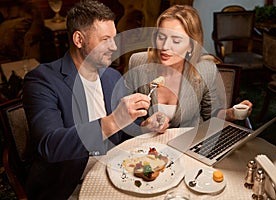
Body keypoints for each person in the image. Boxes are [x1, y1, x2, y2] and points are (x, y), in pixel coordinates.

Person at [22, 1, 169, 199]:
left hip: (115, 172)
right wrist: (113, 121)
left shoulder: (112, 77)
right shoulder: (42, 80)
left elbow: (124, 131)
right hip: (69, 185)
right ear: (79, 39)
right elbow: (50, 145)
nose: (114, 46)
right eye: (105, 39)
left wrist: (145, 125)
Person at [125, 5, 253, 128]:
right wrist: (144, 126)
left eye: (176, 41)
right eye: (161, 37)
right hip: (147, 145)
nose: (164, 47)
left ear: (191, 46)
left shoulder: (205, 70)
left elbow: (211, 115)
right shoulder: (138, 62)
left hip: (189, 143)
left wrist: (231, 113)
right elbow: (122, 113)